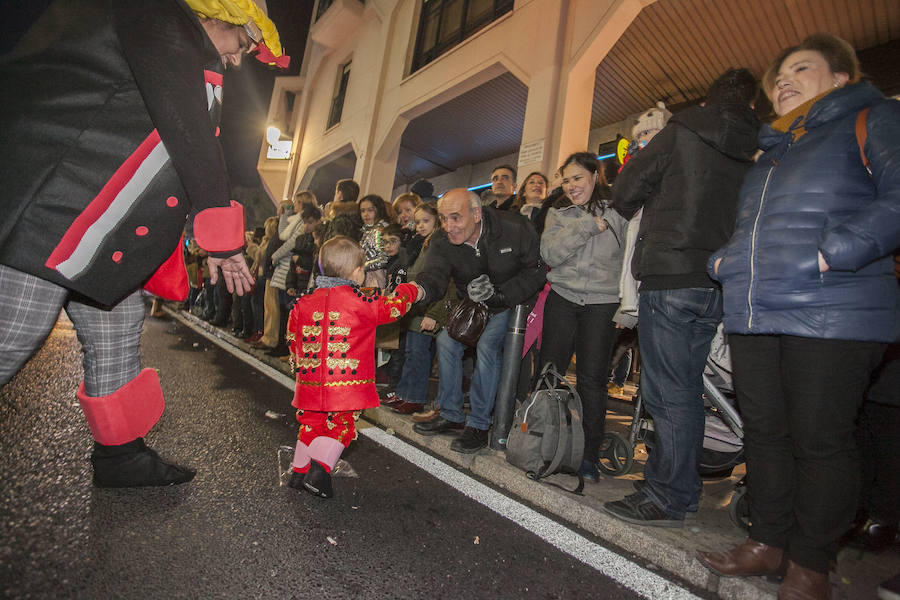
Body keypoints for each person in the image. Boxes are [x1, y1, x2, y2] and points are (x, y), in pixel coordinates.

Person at [0, 0, 288, 487]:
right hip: (55, 209)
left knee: (118, 324)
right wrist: (220, 232)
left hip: (97, 224)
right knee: (12, 334)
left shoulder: (176, 35)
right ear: (220, 16)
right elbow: (187, 129)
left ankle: (121, 455)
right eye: (240, 45)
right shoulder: (156, 13)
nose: (238, 60)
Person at [698, 34, 900, 599]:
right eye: (778, 76)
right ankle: (767, 542)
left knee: (820, 440)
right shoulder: (771, 153)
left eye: (800, 69)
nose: (783, 80)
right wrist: (726, 261)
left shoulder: (874, 117)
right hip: (757, 311)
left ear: (840, 78)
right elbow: (752, 230)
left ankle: (811, 565)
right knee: (765, 435)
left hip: (834, 310)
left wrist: (833, 252)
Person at [604, 68, 760, 526]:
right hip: (722, 278)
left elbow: (625, 190)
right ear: (752, 105)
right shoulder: (763, 143)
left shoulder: (684, 129)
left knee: (669, 391)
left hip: (671, 275)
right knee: (688, 389)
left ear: (709, 101)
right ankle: (680, 487)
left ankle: (666, 495)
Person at [286, 237, 421, 498]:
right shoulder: (360, 302)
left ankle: (299, 472)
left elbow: (293, 338)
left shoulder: (303, 303)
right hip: (344, 385)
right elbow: (394, 309)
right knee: (341, 425)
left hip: (310, 381)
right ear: (357, 272)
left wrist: (300, 367)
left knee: (311, 422)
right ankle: (319, 471)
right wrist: (409, 290)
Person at [412, 189, 545, 453]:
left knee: (487, 346)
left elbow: (536, 271)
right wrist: (419, 291)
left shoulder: (514, 228)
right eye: (443, 218)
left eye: (455, 218)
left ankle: (479, 425)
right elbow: (434, 274)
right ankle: (450, 413)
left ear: (476, 214)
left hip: (511, 300)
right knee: (446, 342)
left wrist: (501, 295)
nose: (449, 227)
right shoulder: (442, 240)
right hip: (474, 303)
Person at [539, 152, 628, 482]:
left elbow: (629, 260)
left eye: (577, 177)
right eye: (565, 180)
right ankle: (546, 445)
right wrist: (587, 227)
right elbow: (550, 253)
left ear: (595, 175)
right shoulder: (558, 213)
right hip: (562, 299)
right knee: (550, 374)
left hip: (603, 304)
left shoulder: (620, 211)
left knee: (592, 381)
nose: (571, 185)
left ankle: (588, 456)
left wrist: (628, 309)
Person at [358, 194, 392, 288]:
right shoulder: (368, 230)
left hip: (378, 278)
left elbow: (384, 258)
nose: (366, 214)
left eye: (370, 210)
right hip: (368, 276)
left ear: (378, 210)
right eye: (362, 211)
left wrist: (362, 267)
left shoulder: (380, 230)